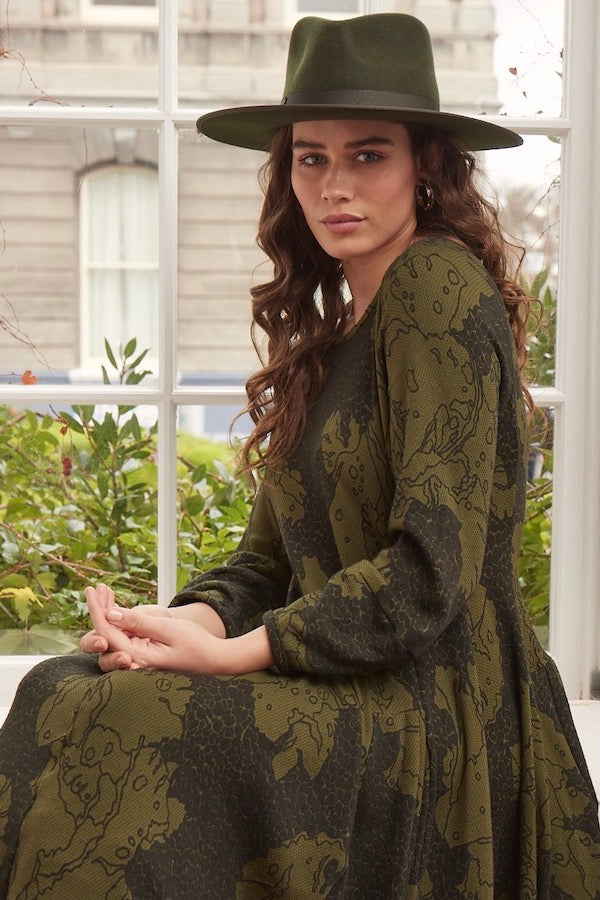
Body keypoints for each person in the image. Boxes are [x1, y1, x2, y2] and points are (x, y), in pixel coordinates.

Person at [1, 13, 598, 899]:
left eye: (368, 155)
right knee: (60, 685)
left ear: (425, 167)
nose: (334, 185)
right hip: (344, 681)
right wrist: (176, 628)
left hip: (434, 706)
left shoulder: (435, 286)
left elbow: (428, 574)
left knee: (133, 721)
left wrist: (236, 655)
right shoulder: (333, 334)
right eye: (310, 158)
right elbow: (266, 563)